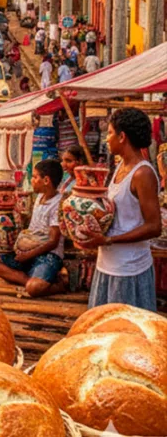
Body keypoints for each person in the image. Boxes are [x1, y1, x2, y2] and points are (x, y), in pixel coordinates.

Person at [78, 108, 162, 311]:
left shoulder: (142, 174)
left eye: (110, 133)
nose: (107, 139)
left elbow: (154, 227)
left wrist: (109, 240)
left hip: (129, 270)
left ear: (122, 137)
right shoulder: (119, 167)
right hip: (107, 264)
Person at [0, 159, 66, 297]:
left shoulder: (58, 204)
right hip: (28, 253)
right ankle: (30, 279)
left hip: (48, 255)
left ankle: (60, 285)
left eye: (35, 177)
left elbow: (53, 241)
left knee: (34, 289)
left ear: (46, 180)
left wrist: (27, 255)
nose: (32, 180)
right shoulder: (39, 197)